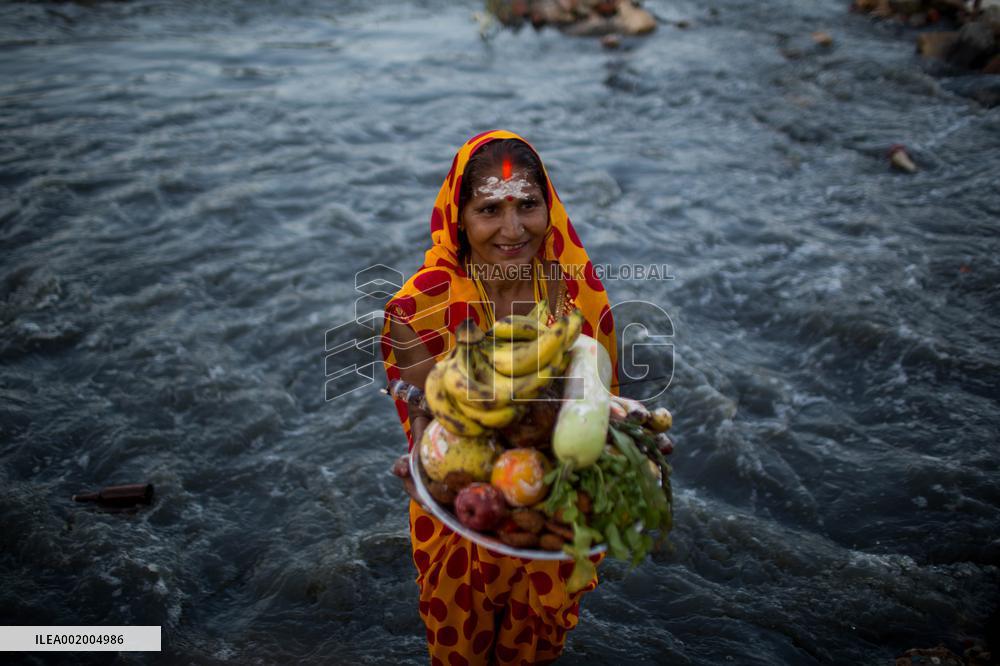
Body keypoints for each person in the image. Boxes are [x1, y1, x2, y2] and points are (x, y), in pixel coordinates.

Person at [380, 129, 619, 665]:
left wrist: (627, 447)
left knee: (537, 647)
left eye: (528, 205)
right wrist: (423, 475)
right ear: (459, 218)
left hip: (553, 502)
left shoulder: (571, 287)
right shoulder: (418, 308)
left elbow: (595, 403)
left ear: (549, 206)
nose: (513, 230)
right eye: (490, 210)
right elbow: (428, 426)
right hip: (460, 506)